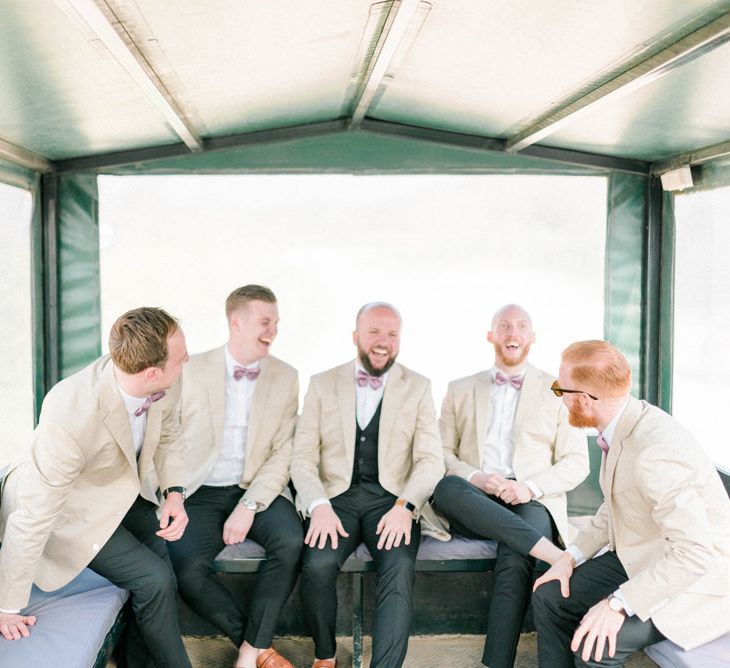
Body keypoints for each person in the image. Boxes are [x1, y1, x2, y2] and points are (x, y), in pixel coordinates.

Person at [0, 307, 192, 668]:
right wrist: (6, 607)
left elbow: (167, 432)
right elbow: (33, 515)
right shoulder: (68, 416)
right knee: (155, 581)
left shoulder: (163, 379)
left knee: (163, 559)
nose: (187, 362)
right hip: (70, 511)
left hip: (120, 491)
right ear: (152, 372)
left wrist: (174, 494)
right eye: (181, 358)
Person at [532, 339, 730, 667]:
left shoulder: (655, 452)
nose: (560, 400)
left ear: (583, 400)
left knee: (596, 646)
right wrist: (571, 556)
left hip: (696, 579)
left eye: (560, 391)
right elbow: (614, 506)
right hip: (644, 552)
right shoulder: (623, 423)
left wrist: (618, 603)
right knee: (550, 596)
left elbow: (695, 554)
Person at [431, 303, 589, 668]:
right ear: (491, 335)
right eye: (504, 326)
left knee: (516, 551)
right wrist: (477, 477)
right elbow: (440, 452)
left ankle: (495, 663)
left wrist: (529, 487)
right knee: (447, 488)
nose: (512, 333)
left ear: (532, 337)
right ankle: (556, 556)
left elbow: (577, 462)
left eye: (521, 326)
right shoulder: (459, 388)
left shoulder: (558, 390)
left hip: (530, 499)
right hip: (473, 497)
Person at [291, 302, 444, 668]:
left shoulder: (419, 387)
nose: (383, 342)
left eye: (392, 334)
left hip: (392, 502)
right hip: (335, 500)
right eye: (374, 332)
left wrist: (406, 507)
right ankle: (325, 656)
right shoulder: (322, 383)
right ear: (355, 336)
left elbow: (430, 460)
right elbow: (301, 458)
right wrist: (319, 506)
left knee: (399, 567)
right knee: (317, 564)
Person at [169, 284, 302, 668]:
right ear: (236, 322)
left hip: (257, 486)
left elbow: (282, 453)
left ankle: (247, 656)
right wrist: (173, 493)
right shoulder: (191, 369)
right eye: (265, 321)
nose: (273, 330)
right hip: (200, 490)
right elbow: (169, 437)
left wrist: (250, 504)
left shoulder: (287, 376)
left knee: (291, 541)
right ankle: (257, 645)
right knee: (187, 567)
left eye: (276, 322)